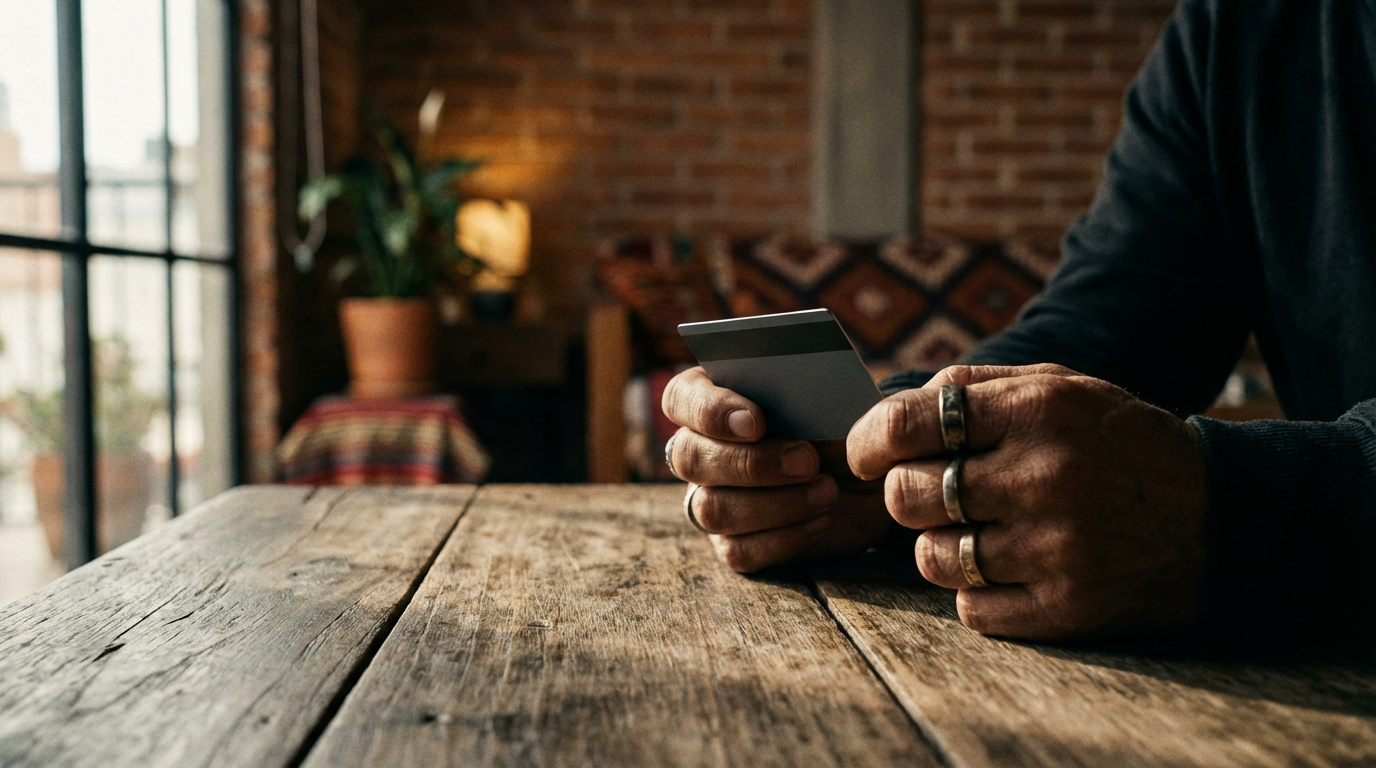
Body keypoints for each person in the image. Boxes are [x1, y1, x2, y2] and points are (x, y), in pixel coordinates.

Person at [661, 0, 1376, 643]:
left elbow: (1216, 505)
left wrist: (1239, 513)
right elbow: (1106, 328)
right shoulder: (1237, 31)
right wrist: (888, 444)